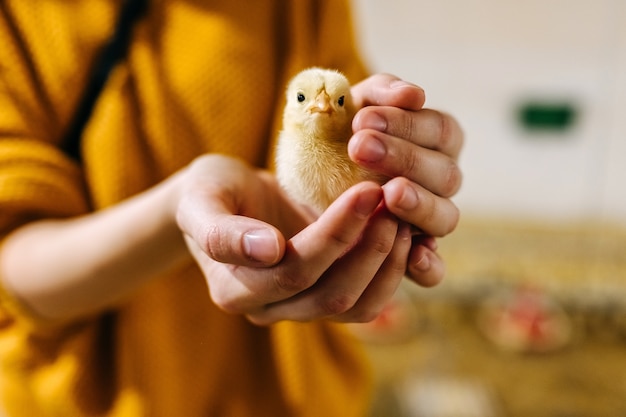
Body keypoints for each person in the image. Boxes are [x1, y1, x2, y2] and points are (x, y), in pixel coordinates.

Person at [0, 0, 463, 416]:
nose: (322, 106)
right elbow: (10, 259)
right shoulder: (25, 16)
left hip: (295, 397)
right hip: (79, 401)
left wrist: (405, 155)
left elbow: (351, 112)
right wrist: (177, 214)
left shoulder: (308, 7)